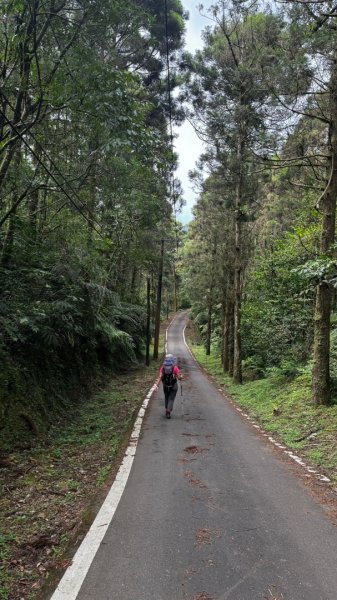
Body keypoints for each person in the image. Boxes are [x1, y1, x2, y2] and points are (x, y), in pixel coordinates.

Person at [159, 354, 181, 419]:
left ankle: (167, 409)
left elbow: (160, 376)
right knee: (171, 398)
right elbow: (179, 377)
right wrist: (181, 377)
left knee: (166, 397)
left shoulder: (163, 367)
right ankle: (168, 411)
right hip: (173, 386)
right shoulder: (175, 367)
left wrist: (156, 385)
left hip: (165, 386)